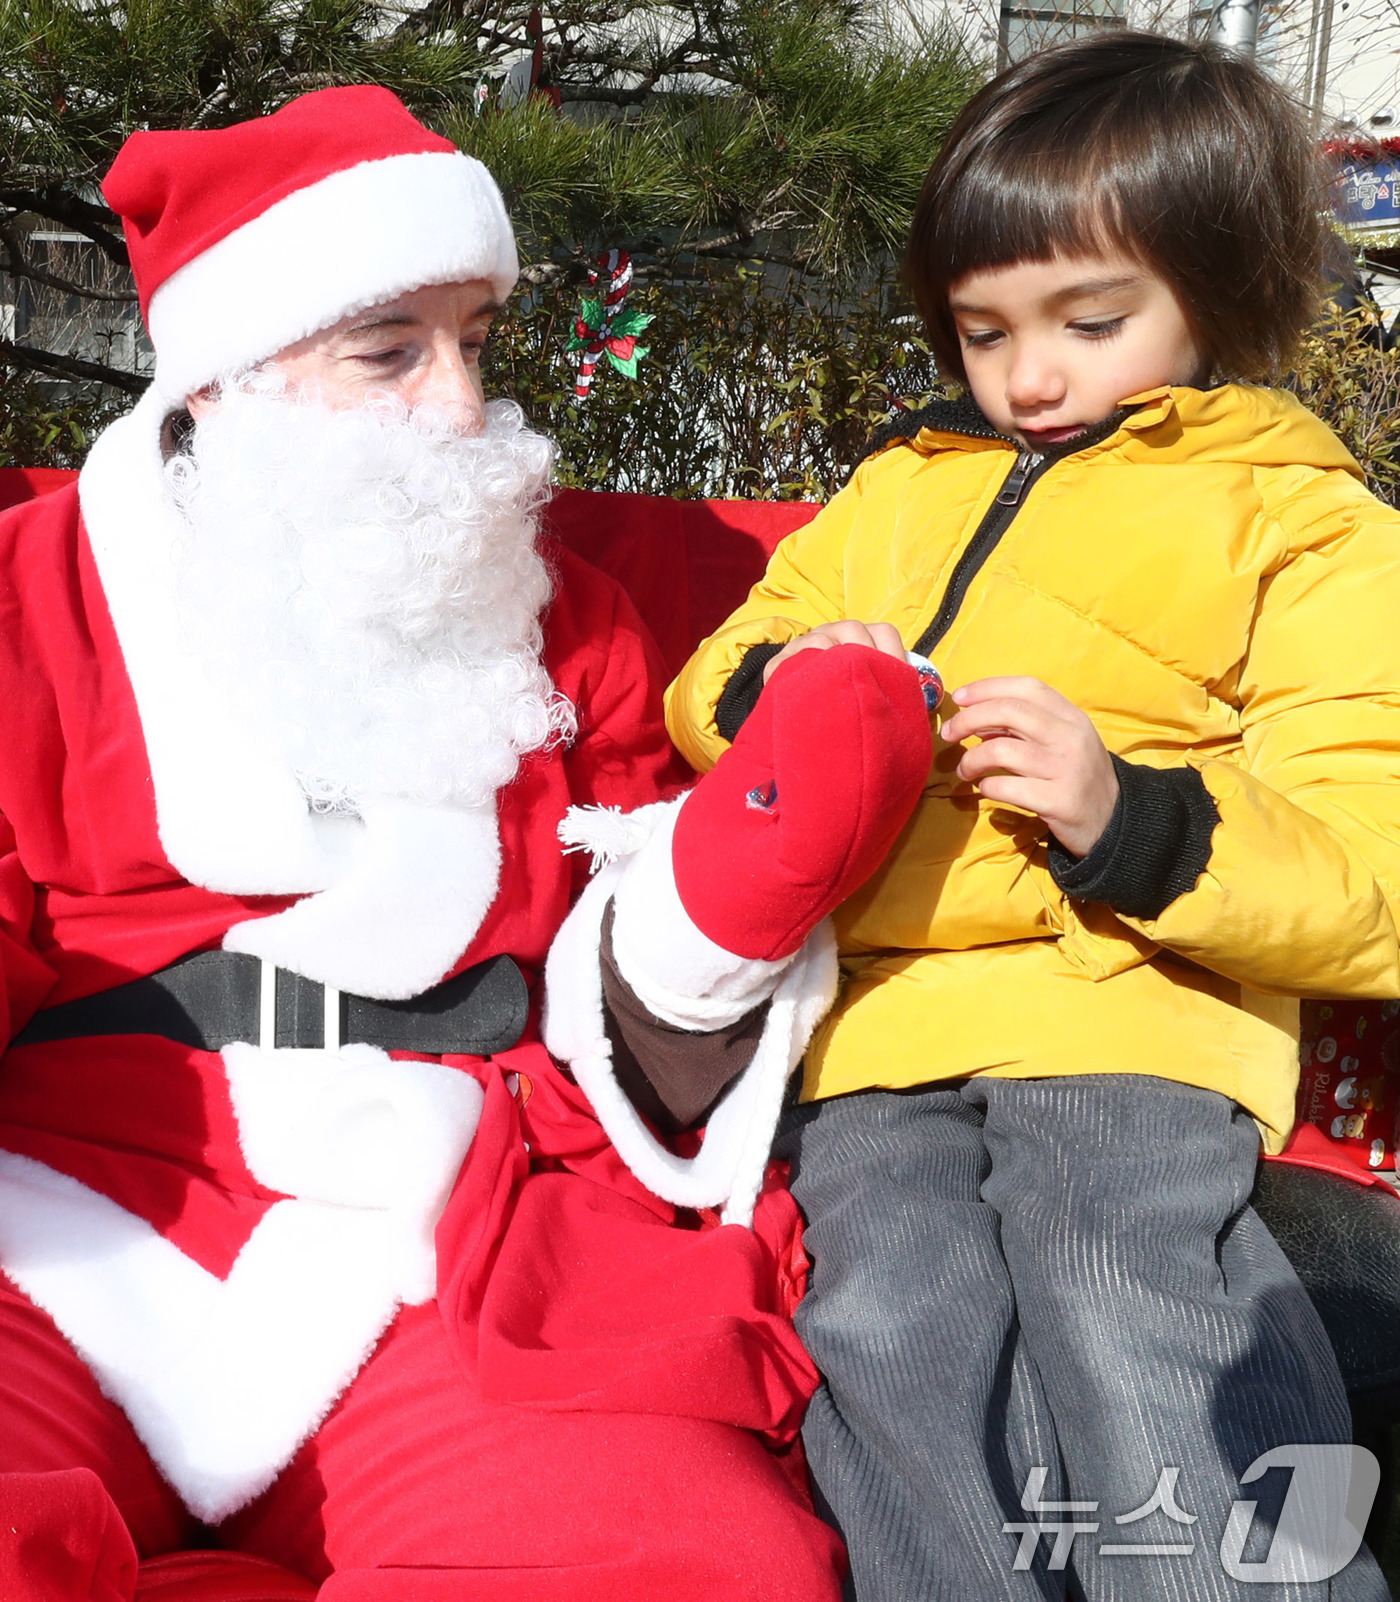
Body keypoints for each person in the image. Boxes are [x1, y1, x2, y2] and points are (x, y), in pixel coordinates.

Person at [0, 84, 937, 1600]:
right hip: (80, 1197)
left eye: (475, 344)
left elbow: (629, 972)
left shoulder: (570, 614)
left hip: (463, 1210)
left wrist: (737, 884)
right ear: (230, 378)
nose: (458, 403)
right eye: (392, 351)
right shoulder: (32, 597)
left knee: (680, 1566)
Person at [660, 33, 1400, 1602]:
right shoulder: (897, 491)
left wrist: (1127, 816)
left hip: (1133, 1012)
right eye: (983, 330)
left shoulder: (1299, 519)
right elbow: (715, 673)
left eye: (1091, 318)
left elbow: (1371, 862)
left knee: (1124, 1287)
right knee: (887, 1326)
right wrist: (799, 688)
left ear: (1221, 287)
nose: (1031, 375)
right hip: (881, 1023)